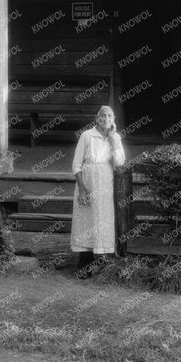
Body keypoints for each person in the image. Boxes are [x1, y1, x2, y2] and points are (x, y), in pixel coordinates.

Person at [71, 105, 126, 275]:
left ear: (113, 119)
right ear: (97, 118)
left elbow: (120, 162)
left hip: (105, 183)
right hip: (88, 180)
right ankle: (84, 263)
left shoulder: (115, 137)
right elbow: (76, 165)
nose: (106, 119)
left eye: (110, 116)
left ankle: (101, 260)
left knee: (102, 219)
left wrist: (113, 140)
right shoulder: (87, 136)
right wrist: (82, 189)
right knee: (87, 219)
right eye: (103, 115)